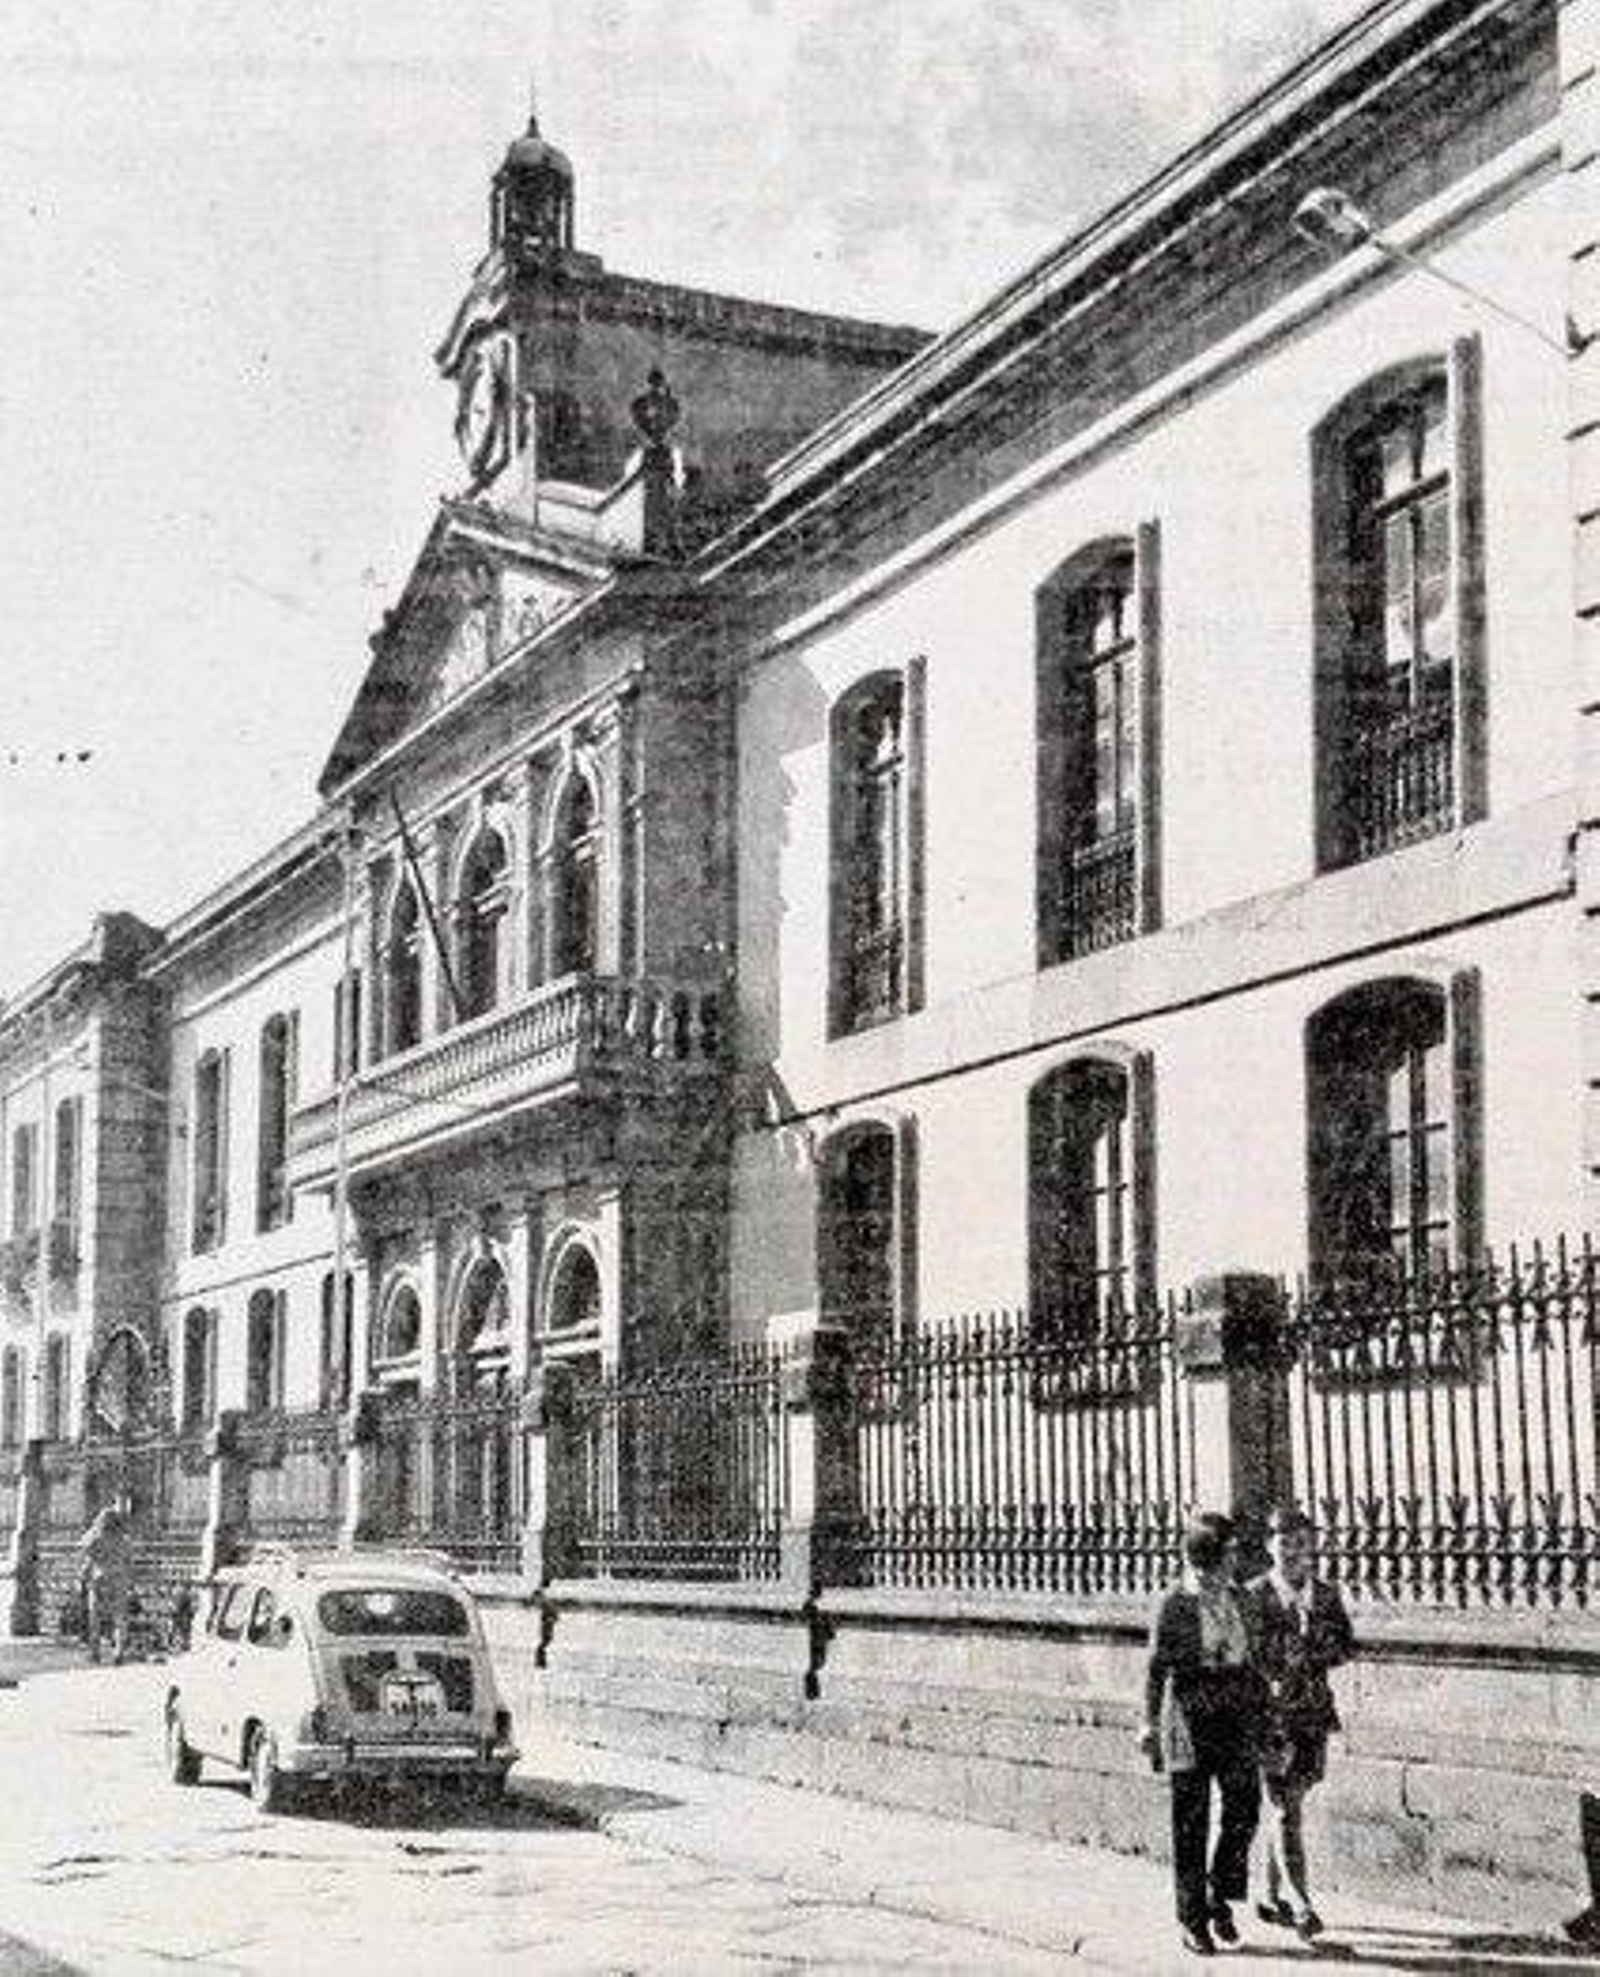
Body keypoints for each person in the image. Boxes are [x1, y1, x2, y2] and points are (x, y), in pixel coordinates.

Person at [1142, 1511, 1268, 1957]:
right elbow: (1157, 1667)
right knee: (1191, 1820)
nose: (1236, 1559)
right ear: (1208, 1556)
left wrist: (1262, 1715)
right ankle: (1192, 1919)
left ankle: (1219, 1894)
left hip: (1234, 1711)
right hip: (1189, 1714)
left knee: (1245, 1807)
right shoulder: (1175, 1601)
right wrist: (1148, 1724)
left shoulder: (1240, 1597)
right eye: (1229, 1552)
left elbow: (1253, 1660)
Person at [1248, 1506, 1355, 1942]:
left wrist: (1317, 1648)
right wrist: (1280, 1660)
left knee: (1294, 1797)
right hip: (1272, 1718)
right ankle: (1301, 1902)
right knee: (1284, 1806)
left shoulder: (1326, 1595)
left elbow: (1346, 1646)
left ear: (1312, 1547)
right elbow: (1250, 1656)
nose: (1293, 1552)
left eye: (1300, 1543)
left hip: (1312, 1712)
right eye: (1284, 1543)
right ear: (1269, 1547)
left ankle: (1269, 1894)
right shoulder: (1255, 1595)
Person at [77, 1499, 136, 1666]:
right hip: (119, 1579)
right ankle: (119, 1652)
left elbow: (85, 1551)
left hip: (99, 1578)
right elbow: (129, 1562)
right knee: (119, 1617)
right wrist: (130, 1581)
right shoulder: (124, 1540)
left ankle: (95, 1652)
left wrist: (82, 1577)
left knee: (95, 1617)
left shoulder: (96, 1537)